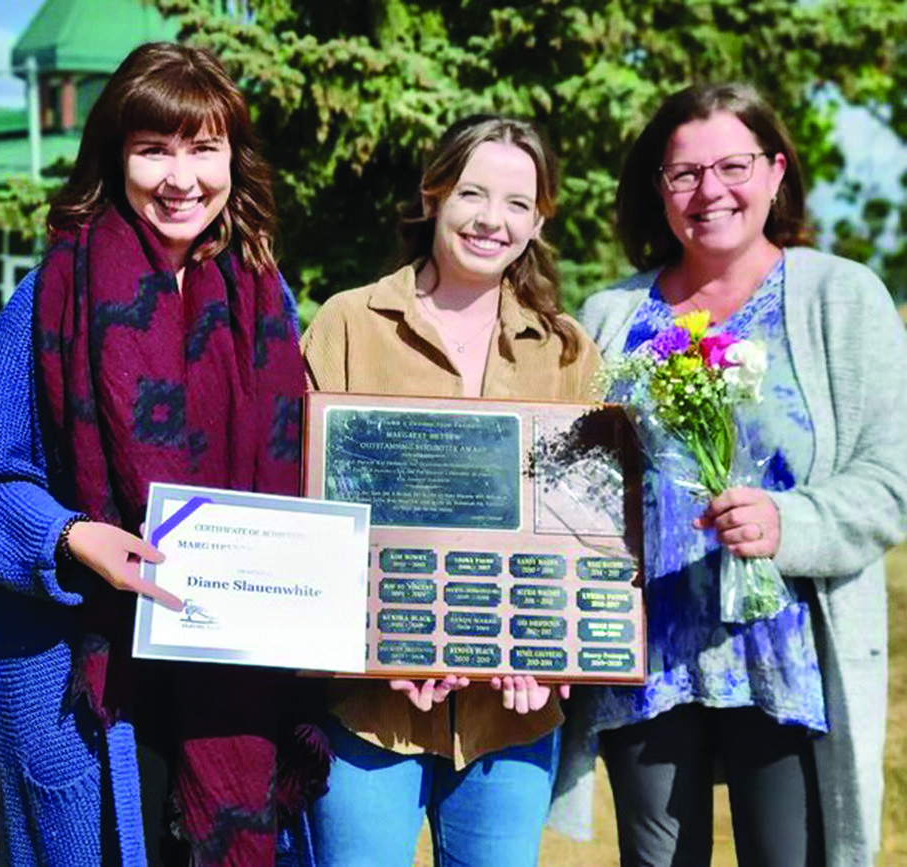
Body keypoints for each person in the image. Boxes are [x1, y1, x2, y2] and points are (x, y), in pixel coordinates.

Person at [0, 42, 323, 867]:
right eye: (154, 149)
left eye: (205, 147)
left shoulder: (267, 293)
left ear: (234, 156)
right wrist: (73, 535)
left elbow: (297, 469)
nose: (181, 176)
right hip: (85, 668)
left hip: (228, 661)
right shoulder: (48, 295)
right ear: (116, 157)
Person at [552, 82, 907, 866]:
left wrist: (793, 524)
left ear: (777, 172)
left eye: (734, 165)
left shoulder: (841, 299)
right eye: (684, 174)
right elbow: (570, 482)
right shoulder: (611, 314)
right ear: (659, 189)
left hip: (788, 658)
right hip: (647, 657)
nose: (710, 191)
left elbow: (893, 476)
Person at [300, 114, 602, 866]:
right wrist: (378, 643)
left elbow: (586, 528)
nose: (490, 219)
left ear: (538, 221)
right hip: (370, 709)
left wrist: (553, 653)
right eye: (472, 192)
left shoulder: (567, 350)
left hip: (514, 714)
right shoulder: (348, 324)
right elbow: (306, 514)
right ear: (433, 196)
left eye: (515, 203)